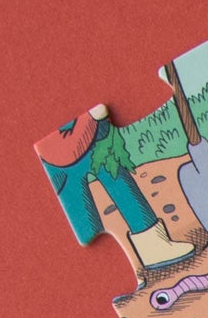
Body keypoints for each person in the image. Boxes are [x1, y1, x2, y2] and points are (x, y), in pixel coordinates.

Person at [35, 105, 196, 272]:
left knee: (121, 190)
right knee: (103, 200)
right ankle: (152, 248)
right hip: (69, 151)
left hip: (90, 138)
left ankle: (155, 247)